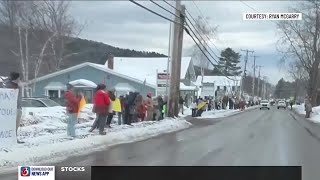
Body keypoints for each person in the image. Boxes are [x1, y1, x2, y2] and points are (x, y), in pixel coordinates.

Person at [4, 72, 24, 143]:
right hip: (11, 109)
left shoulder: (18, 85)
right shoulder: (9, 85)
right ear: (16, 78)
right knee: (11, 124)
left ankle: (14, 138)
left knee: (16, 124)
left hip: (18, 107)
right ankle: (10, 138)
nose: (19, 79)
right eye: (18, 78)